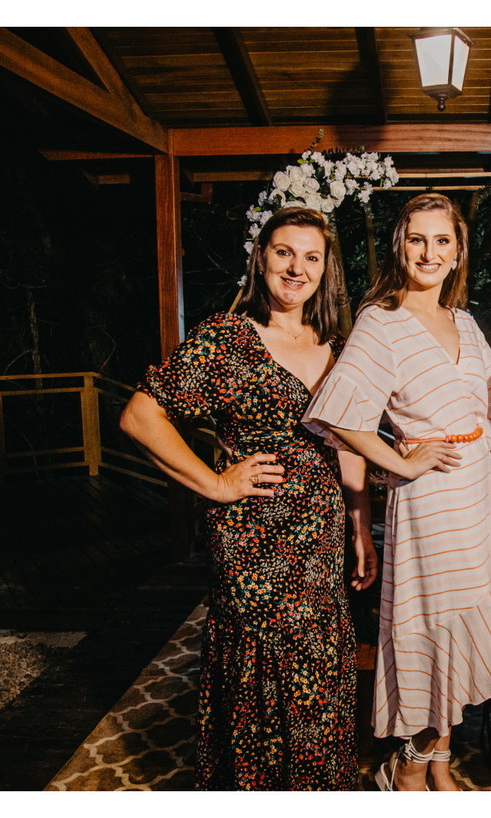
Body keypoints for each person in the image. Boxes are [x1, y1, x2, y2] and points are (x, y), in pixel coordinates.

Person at [119, 207, 377, 790]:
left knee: (318, 664)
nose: (296, 268)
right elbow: (140, 417)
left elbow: (350, 441)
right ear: (261, 259)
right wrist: (215, 484)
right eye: (284, 252)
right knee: (260, 667)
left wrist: (360, 527)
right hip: (252, 537)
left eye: (311, 257)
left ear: (325, 269)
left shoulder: (340, 346)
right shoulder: (225, 338)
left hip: (322, 537)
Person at [302, 193, 491, 791]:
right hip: (426, 501)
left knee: (463, 625)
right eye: (417, 239)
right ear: (401, 246)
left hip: (474, 493)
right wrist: (401, 461)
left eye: (442, 241)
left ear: (457, 252)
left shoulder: (464, 321)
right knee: (433, 628)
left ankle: (439, 761)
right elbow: (339, 413)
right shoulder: (382, 320)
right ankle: (408, 766)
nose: (429, 252)